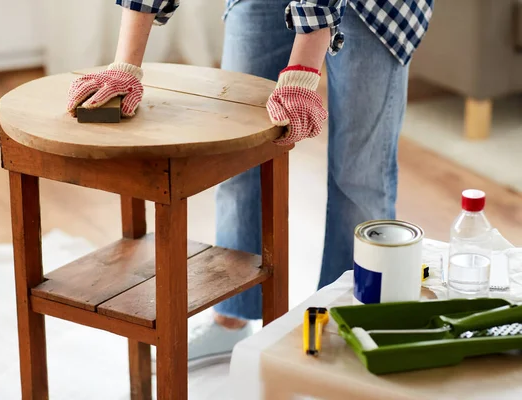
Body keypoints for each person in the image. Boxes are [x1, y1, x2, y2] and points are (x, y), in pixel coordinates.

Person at [67, 0, 434, 369]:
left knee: (359, 178)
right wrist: (125, 65)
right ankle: (232, 319)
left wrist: (303, 70)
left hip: (375, 8)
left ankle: (346, 326)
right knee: (239, 157)